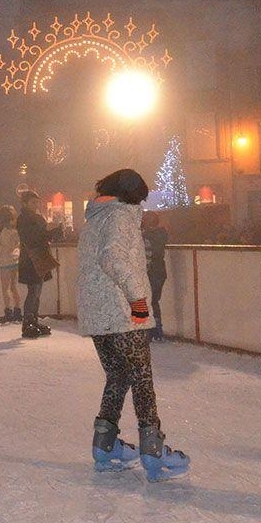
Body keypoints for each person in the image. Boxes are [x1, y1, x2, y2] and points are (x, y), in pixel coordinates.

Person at [77, 169, 190, 483]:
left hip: (97, 314)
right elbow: (112, 257)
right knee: (141, 378)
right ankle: (153, 449)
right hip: (123, 312)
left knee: (118, 375)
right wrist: (138, 299)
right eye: (141, 198)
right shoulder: (121, 216)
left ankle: (105, 444)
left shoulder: (95, 218)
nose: (141, 206)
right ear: (132, 196)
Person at [16, 190, 61, 339]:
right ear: (25, 203)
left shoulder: (37, 217)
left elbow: (45, 236)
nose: (36, 204)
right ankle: (27, 322)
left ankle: (33, 320)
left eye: (37, 202)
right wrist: (45, 229)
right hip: (30, 259)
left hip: (40, 256)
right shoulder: (23, 218)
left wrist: (55, 229)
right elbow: (29, 237)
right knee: (33, 290)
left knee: (37, 290)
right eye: (33, 202)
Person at [0, 206, 22, 324]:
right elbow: (15, 246)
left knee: (5, 288)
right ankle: (18, 311)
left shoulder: (3, 231)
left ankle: (8, 312)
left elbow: (4, 248)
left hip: (5, 262)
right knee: (14, 287)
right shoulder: (17, 230)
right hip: (15, 260)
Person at [140, 211, 169, 341]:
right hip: (160, 271)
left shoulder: (146, 237)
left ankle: (150, 330)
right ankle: (156, 330)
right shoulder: (161, 235)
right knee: (153, 301)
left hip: (150, 272)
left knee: (148, 301)